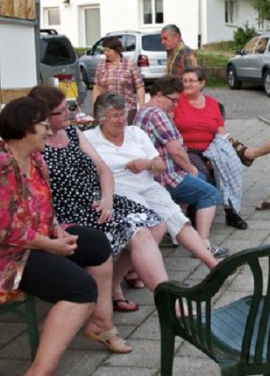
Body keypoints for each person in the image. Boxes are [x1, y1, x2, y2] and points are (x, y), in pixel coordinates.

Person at [0, 97, 131, 376]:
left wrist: (57, 231)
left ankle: (100, 323)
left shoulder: (34, 159)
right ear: (26, 127)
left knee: (97, 244)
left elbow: (45, 206)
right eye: (43, 125)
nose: (49, 131)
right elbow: (4, 230)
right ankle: (41, 370)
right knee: (81, 288)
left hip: (31, 243)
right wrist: (51, 245)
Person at [28, 85, 170, 313]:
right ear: (43, 116)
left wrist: (107, 200)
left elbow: (103, 170)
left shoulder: (72, 133)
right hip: (68, 213)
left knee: (156, 224)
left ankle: (115, 283)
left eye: (68, 107)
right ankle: (169, 303)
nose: (70, 113)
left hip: (97, 201)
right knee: (140, 233)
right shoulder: (34, 145)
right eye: (62, 110)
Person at [85, 92, 217, 270]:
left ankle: (212, 264)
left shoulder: (135, 133)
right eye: (115, 116)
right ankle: (127, 276)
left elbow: (160, 166)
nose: (121, 120)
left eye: (123, 114)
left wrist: (146, 164)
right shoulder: (89, 139)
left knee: (176, 218)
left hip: (147, 186)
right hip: (117, 192)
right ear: (101, 119)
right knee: (148, 228)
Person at [134, 75, 229, 257]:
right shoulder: (157, 114)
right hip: (165, 177)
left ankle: (181, 230)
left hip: (152, 174)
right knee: (210, 193)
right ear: (159, 95)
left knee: (201, 179)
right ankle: (203, 244)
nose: (176, 105)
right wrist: (191, 170)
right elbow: (176, 151)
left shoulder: (144, 111)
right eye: (174, 100)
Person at [173, 68, 248, 230]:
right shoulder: (176, 102)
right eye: (184, 81)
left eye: (191, 80)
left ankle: (231, 212)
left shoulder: (212, 103)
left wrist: (228, 149)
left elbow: (221, 132)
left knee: (230, 166)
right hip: (186, 150)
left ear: (202, 83)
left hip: (210, 148)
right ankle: (194, 213)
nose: (187, 84)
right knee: (202, 172)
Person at [91, 37, 145, 122]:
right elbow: (97, 87)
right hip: (106, 109)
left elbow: (139, 86)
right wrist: (94, 107)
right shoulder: (101, 66)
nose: (105, 53)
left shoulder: (129, 65)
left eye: (108, 51)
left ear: (117, 50)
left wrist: (142, 105)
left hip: (127, 109)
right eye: (104, 50)